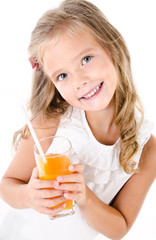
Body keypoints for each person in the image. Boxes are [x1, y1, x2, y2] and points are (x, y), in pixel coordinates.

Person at [0, 0, 156, 239]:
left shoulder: (145, 146)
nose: (79, 81)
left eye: (85, 59)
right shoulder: (52, 122)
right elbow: (8, 185)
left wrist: (84, 196)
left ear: (111, 47)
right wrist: (29, 196)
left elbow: (120, 228)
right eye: (63, 75)